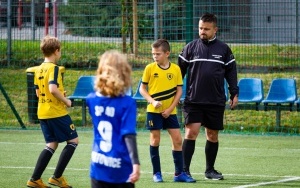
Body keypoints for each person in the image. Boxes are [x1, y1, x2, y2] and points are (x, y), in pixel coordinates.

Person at [178, 13, 239, 180]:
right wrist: (172, 93)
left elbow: (231, 73)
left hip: (215, 100)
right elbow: (178, 74)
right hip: (193, 100)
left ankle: (210, 170)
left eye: (206, 29)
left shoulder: (224, 49)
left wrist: (234, 92)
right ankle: (184, 171)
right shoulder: (190, 48)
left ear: (215, 29)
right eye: (200, 28)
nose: (202, 31)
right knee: (191, 133)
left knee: (212, 135)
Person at [139, 39, 195, 183]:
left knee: (177, 139)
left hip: (171, 112)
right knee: (155, 140)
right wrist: (153, 101)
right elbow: (142, 89)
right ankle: (157, 173)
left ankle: (179, 174)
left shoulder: (175, 69)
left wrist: (170, 109)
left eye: (158, 54)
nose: (155, 57)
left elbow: (179, 91)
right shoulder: (150, 68)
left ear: (167, 53)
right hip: (153, 111)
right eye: (153, 54)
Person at [27, 35, 79, 188]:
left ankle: (35, 179)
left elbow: (38, 92)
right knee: (73, 141)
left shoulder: (38, 69)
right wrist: (66, 101)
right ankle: (56, 177)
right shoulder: (54, 68)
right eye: (60, 50)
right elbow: (52, 89)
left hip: (42, 111)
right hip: (56, 112)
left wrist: (57, 93)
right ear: (56, 51)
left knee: (52, 144)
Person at [86, 50, 140, 188]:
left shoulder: (91, 99)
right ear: (124, 73)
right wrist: (136, 163)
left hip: (98, 164)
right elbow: (128, 134)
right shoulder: (127, 103)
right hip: (121, 167)